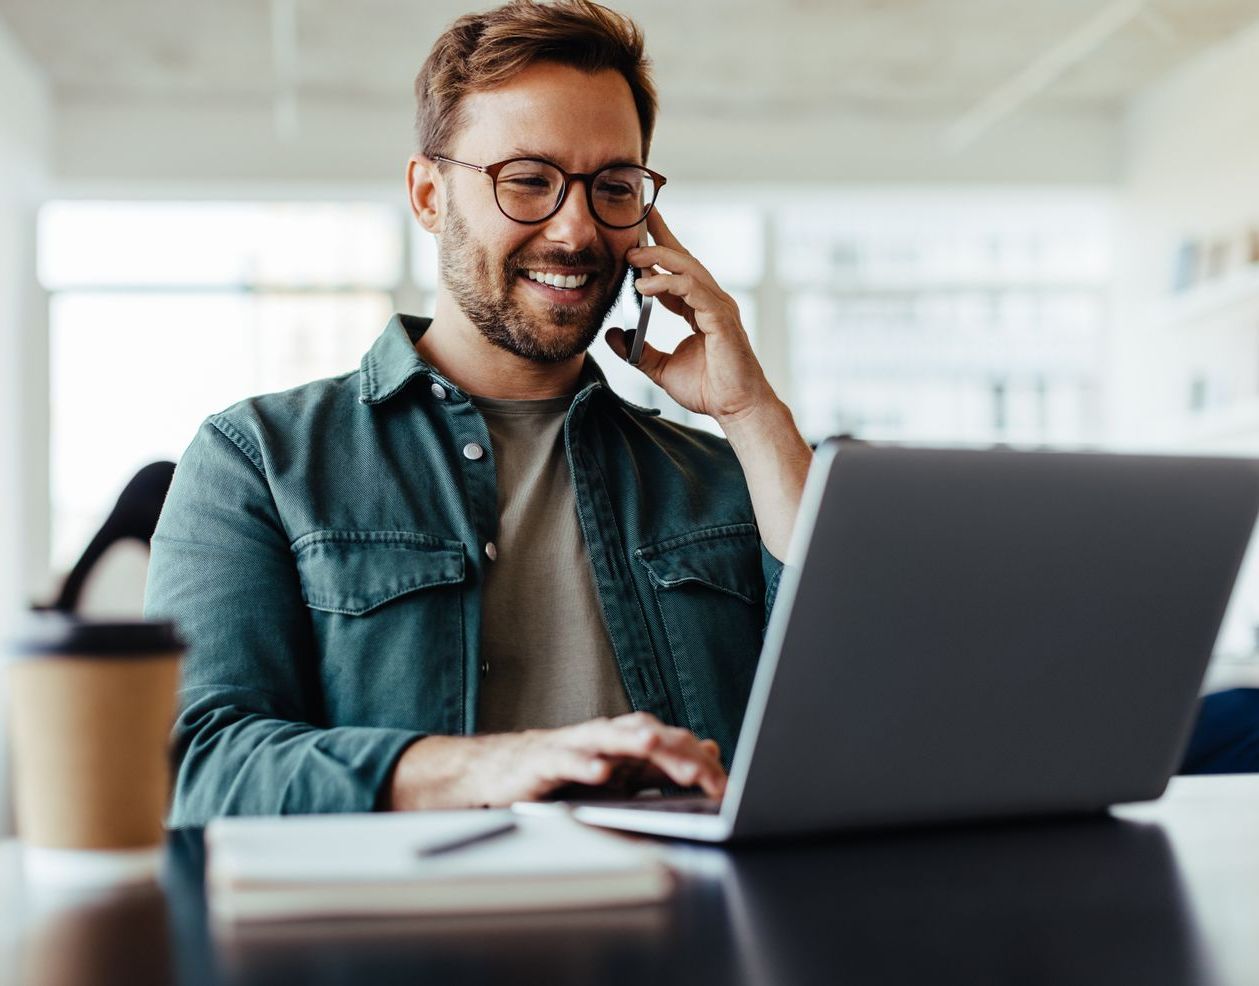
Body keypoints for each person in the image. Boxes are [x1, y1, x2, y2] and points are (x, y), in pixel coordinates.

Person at [145, 0, 814, 824]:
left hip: (690, 938)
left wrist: (751, 413)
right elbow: (192, 765)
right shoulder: (258, 459)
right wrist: (497, 765)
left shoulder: (721, 477)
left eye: (613, 187)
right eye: (527, 180)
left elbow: (861, 714)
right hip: (404, 942)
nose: (575, 230)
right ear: (429, 194)